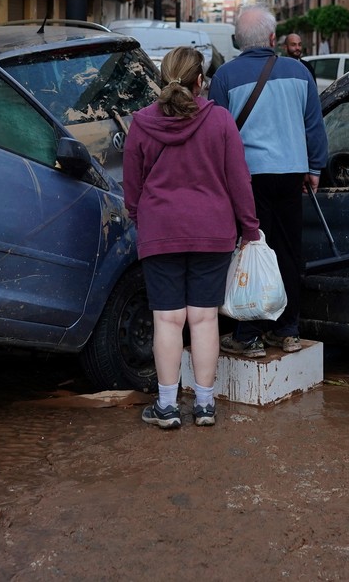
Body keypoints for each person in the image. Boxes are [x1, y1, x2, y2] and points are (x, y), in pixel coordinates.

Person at [124, 46, 261, 429]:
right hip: (212, 232)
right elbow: (239, 180)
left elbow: (131, 186)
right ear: (200, 81)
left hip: (160, 230)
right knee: (203, 320)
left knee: (167, 320)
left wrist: (139, 215)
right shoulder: (219, 121)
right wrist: (249, 228)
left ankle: (166, 407)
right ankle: (204, 406)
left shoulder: (141, 123)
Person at [209, 4, 328, 356]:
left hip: (247, 179)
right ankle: (288, 330)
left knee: (252, 250)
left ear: (238, 41)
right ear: (274, 38)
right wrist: (315, 168)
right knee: (289, 253)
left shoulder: (225, 77)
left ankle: (248, 335)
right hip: (291, 174)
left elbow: (217, 133)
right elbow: (314, 125)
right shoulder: (299, 72)